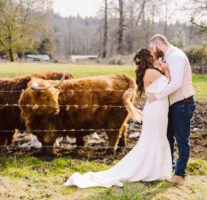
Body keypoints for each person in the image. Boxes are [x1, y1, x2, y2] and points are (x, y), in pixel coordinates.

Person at [63, 48, 172, 188]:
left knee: (153, 139)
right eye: (152, 55)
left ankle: (153, 169)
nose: (155, 57)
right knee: (155, 139)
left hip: (155, 109)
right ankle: (150, 170)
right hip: (157, 110)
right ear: (149, 59)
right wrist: (167, 69)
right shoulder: (153, 72)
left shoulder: (147, 72)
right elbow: (171, 84)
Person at [148, 34, 196, 184]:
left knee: (182, 140)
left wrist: (157, 96)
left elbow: (176, 84)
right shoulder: (169, 57)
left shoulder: (175, 56)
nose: (152, 52)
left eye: (152, 48)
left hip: (182, 102)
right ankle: (170, 167)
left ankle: (180, 174)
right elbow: (169, 78)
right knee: (168, 137)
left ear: (159, 44)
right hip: (174, 104)